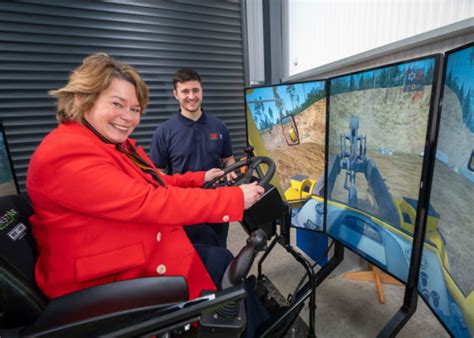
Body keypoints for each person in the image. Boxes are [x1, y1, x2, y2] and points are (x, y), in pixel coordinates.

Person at [26, 53, 264, 303]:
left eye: (135, 109)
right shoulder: (66, 154)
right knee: (222, 269)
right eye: (117, 104)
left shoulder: (114, 145)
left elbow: (155, 181)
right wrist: (233, 198)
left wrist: (201, 177)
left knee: (222, 257)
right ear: (82, 98)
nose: (128, 117)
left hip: (126, 245)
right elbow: (149, 200)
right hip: (105, 280)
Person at [149, 68, 236, 248]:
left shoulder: (219, 126)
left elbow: (228, 159)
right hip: (184, 206)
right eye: (185, 91)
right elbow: (158, 175)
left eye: (195, 90)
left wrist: (231, 172)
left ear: (201, 91)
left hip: (216, 202)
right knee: (189, 254)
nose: (191, 96)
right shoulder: (164, 132)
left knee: (219, 249)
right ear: (175, 94)